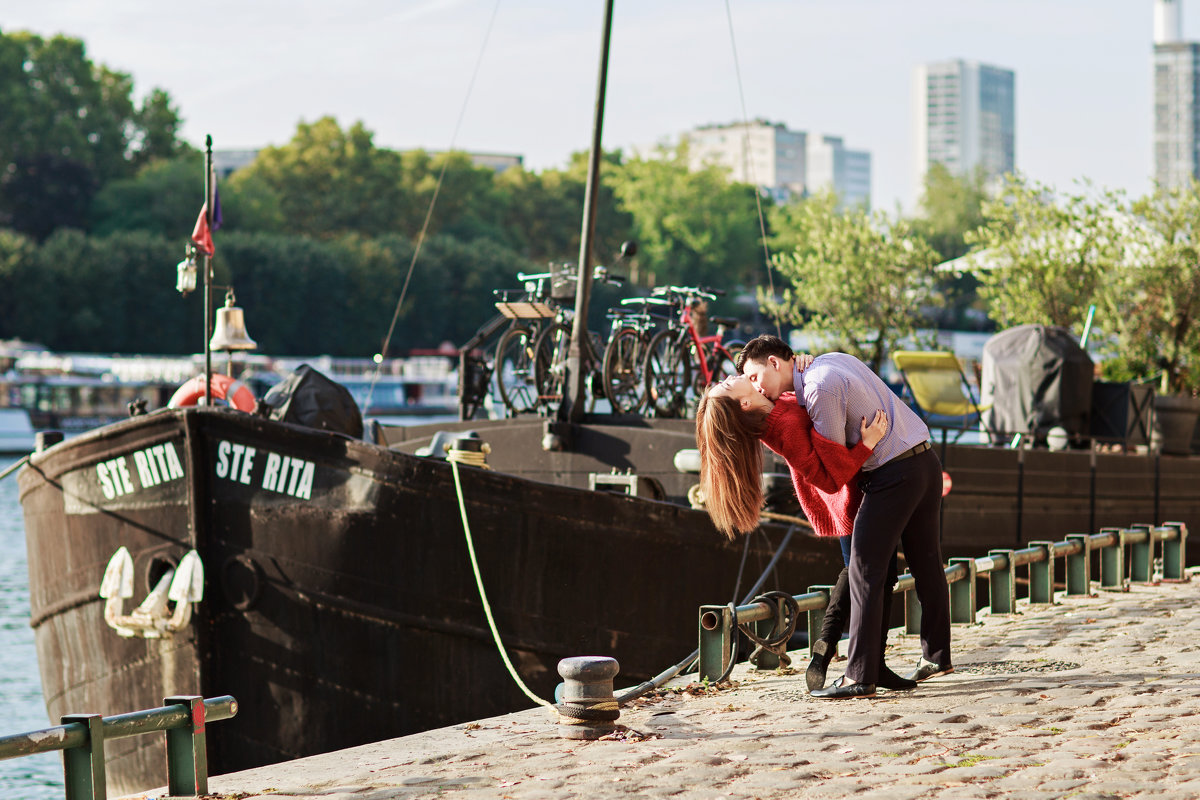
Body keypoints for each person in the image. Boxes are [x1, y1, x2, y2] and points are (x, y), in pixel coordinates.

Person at [738, 336, 952, 699]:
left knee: (865, 567)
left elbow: (833, 467)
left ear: (775, 362)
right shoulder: (828, 362)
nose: (756, 385)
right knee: (926, 561)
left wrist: (863, 445)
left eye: (756, 376)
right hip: (924, 461)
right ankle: (936, 656)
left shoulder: (821, 388)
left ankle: (859, 676)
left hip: (892, 472)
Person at [696, 374, 915, 692]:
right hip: (848, 496)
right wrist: (868, 444)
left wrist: (796, 368)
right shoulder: (780, 428)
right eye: (728, 384)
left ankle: (842, 653)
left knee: (867, 573)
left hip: (854, 491)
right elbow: (832, 478)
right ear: (743, 403)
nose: (730, 376)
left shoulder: (771, 404)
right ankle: (853, 657)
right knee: (869, 575)